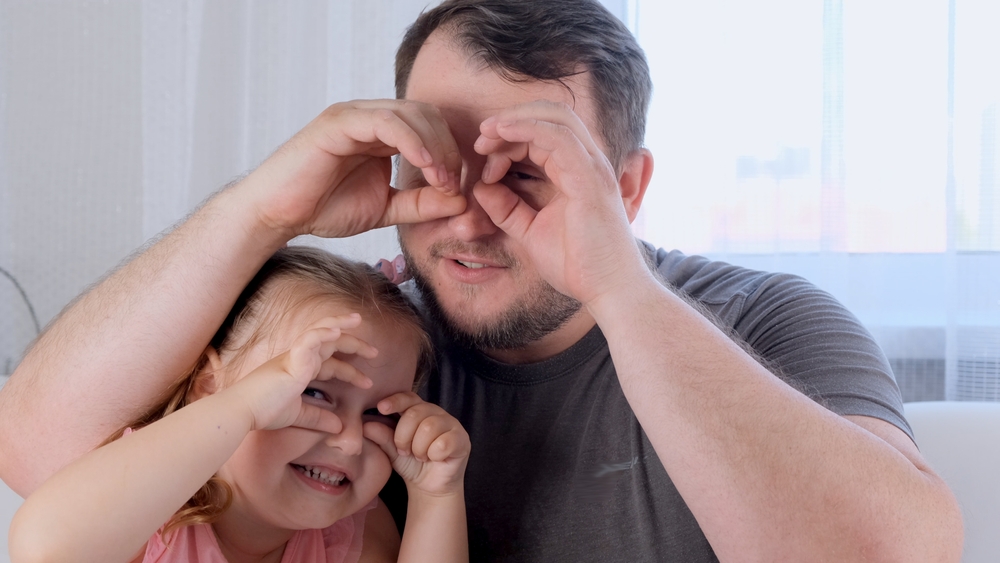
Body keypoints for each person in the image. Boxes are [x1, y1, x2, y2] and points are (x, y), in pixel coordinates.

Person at [0, 0, 963, 561]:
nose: (467, 214)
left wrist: (617, 284)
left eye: (529, 174)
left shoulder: (759, 323)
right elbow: (37, 456)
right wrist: (264, 211)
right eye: (437, 162)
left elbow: (896, 555)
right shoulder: (363, 339)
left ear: (624, 188)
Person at [8, 247, 470, 563]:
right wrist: (243, 408)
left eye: (377, 413)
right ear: (210, 385)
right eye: (311, 391)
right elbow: (44, 549)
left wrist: (436, 497)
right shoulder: (152, 506)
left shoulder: (349, 535)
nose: (349, 441)